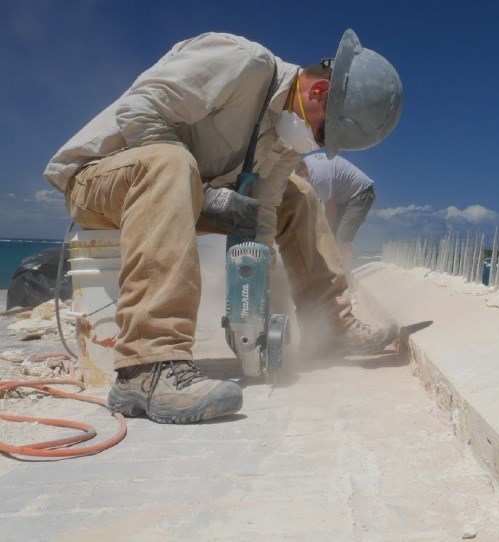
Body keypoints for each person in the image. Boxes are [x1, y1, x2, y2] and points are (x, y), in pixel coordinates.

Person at [44, 30, 403, 424]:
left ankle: (332, 326)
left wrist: (248, 307)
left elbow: (261, 217)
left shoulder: (284, 138)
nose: (317, 146)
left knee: (296, 195)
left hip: (182, 192)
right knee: (171, 163)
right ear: (317, 91)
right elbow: (139, 112)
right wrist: (204, 192)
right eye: (323, 134)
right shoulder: (241, 62)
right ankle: (147, 365)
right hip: (100, 179)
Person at [296, 154, 376, 290]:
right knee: (331, 237)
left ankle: (344, 279)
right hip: (342, 197)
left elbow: (331, 210)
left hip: (360, 194)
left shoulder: (319, 177)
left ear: (303, 168)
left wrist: (320, 233)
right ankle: (332, 273)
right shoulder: (307, 162)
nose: (302, 180)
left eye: (300, 176)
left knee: (342, 237)